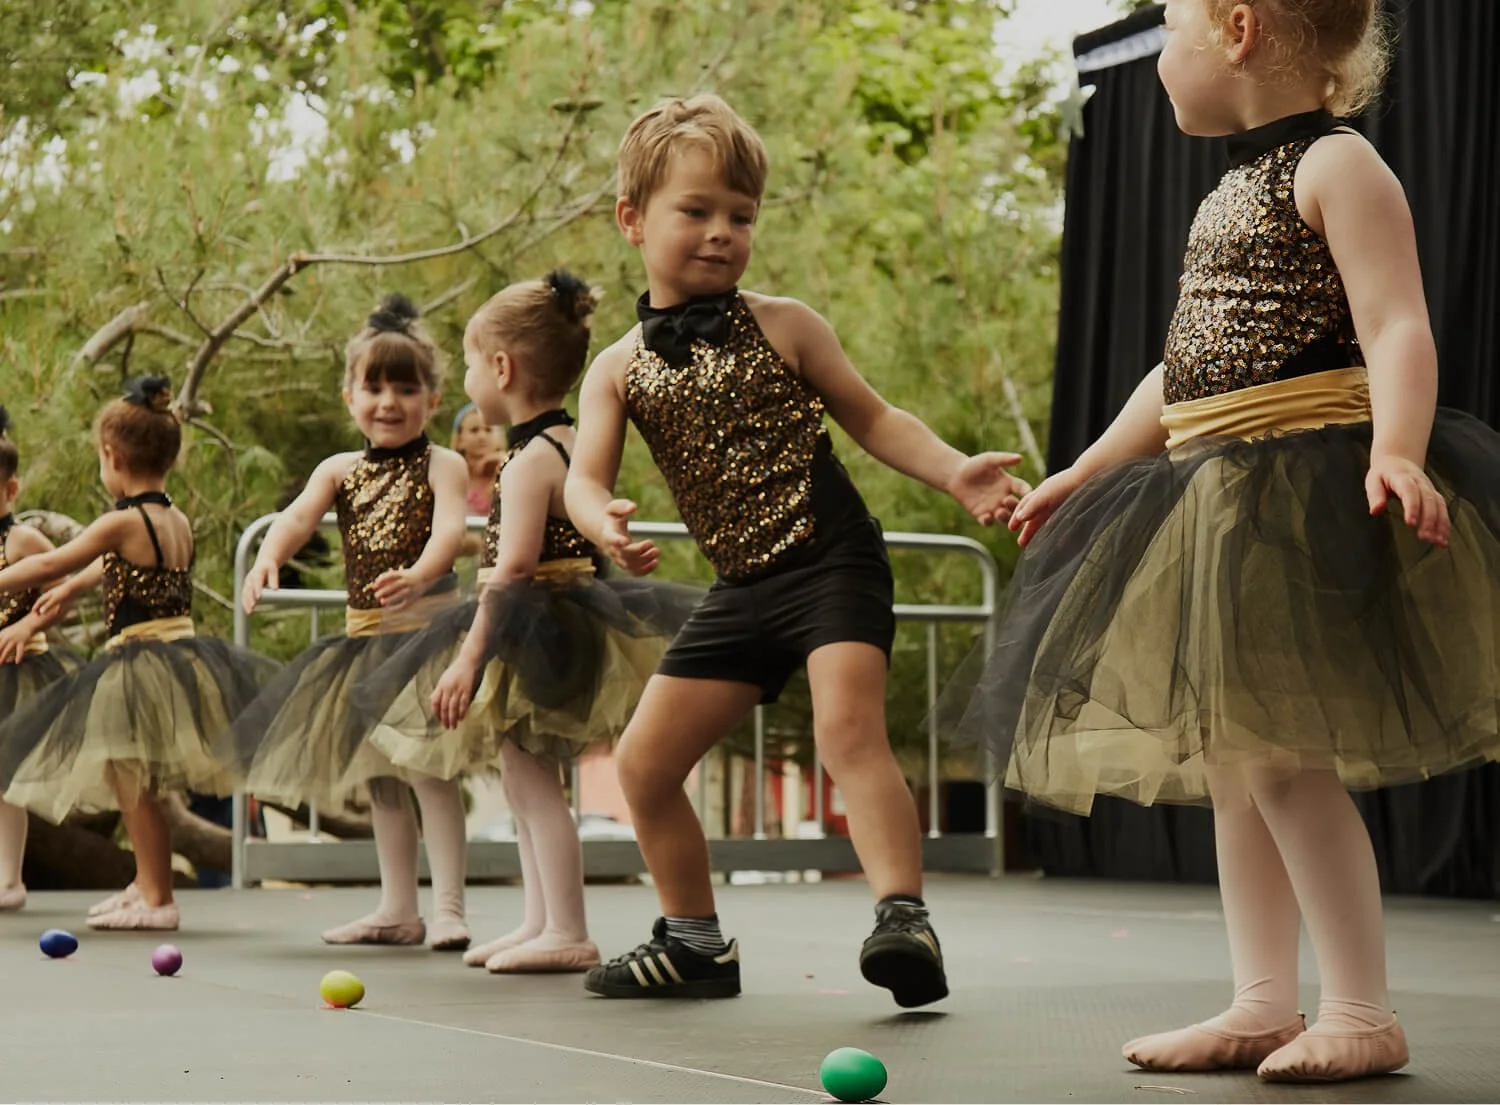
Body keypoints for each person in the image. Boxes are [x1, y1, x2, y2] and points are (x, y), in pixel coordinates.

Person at [941, 0, 1500, 1083]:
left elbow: (1395, 322)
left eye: (1171, 32)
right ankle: (1261, 1001)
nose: (1162, 60)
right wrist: (1091, 465)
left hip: (1293, 494)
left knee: (1285, 761)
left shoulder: (1340, 167)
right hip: (1211, 489)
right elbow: (1182, 370)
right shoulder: (1233, 188)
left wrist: (1398, 448)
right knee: (1240, 763)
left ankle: (1360, 1007)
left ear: (1237, 30)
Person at [564, 94, 1029, 1006]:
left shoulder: (787, 324)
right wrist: (598, 518)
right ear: (632, 220)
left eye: (740, 216)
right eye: (694, 212)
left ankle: (903, 915)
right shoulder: (615, 366)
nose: (721, 233)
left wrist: (956, 474)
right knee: (643, 764)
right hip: (741, 588)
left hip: (830, 563)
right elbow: (583, 476)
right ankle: (695, 943)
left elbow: (876, 417)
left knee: (846, 730)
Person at [355, 270, 699, 974]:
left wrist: (468, 656)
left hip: (531, 622)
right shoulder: (571, 442)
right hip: (565, 616)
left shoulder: (524, 461)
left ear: (503, 368)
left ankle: (567, 926)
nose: (473, 377)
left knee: (534, 781)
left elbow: (510, 570)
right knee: (523, 776)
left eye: (474, 361)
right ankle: (540, 919)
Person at [230, 294, 473, 951]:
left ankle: (449, 906)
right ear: (349, 396)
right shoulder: (339, 469)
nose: (388, 402)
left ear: (432, 395)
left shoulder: (442, 464)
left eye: (405, 387)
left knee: (430, 772)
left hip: (426, 638)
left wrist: (422, 573)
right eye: (374, 387)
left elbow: (451, 529)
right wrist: (268, 559)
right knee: (382, 780)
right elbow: (297, 517)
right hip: (366, 642)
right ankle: (398, 906)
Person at [0, 378, 277, 930]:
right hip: (176, 652)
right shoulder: (171, 520)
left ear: (113, 457)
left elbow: (48, 564)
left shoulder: (123, 520)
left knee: (134, 784)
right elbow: (113, 566)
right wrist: (75, 591)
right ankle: (145, 882)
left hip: (140, 658)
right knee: (137, 779)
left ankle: (159, 899)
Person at [0, 406, 75, 911]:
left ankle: (9, 878)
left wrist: (30, 623)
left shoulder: (20, 539)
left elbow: (64, 587)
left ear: (11, 490)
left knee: (6, 779)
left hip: (15, 673)